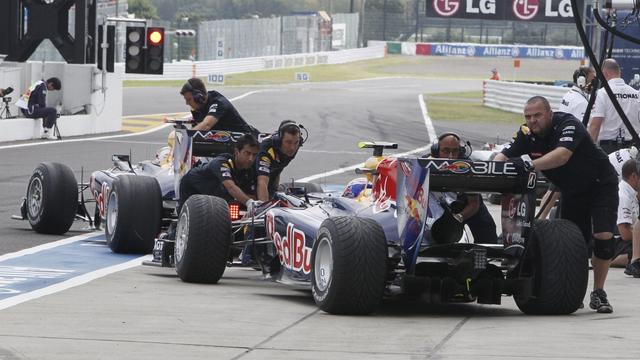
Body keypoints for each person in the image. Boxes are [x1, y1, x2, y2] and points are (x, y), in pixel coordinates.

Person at [495, 96, 618, 313]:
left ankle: (598, 291)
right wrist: (495, 169)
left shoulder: (569, 124)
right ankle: (574, 291)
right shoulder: (526, 133)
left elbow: (562, 156)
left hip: (601, 184)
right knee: (573, 242)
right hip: (572, 190)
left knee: (603, 237)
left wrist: (528, 165)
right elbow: (502, 156)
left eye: (537, 115)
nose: (532, 121)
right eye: (528, 116)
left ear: (550, 114)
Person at [430, 133, 498, 244]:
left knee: (487, 233)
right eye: (446, 151)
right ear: (436, 150)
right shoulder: (425, 163)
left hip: (467, 206)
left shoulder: (468, 167)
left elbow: (474, 204)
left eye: (454, 151)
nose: (450, 156)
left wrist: (459, 217)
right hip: (438, 206)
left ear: (460, 151)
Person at [177, 134, 260, 215]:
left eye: (254, 155)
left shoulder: (250, 170)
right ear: (237, 152)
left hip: (217, 193)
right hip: (193, 188)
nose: (251, 159)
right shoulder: (221, 163)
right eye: (247, 153)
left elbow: (252, 196)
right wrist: (249, 202)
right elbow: (230, 187)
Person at [588, 59, 640, 154]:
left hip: (608, 148)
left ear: (605, 73)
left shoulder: (603, 93)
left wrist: (589, 151)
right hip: (632, 149)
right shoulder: (636, 93)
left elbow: (595, 126)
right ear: (619, 72)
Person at [179, 77, 259, 135]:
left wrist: (186, 136)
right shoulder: (200, 107)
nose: (187, 103)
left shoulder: (218, 102)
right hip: (227, 144)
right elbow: (198, 129)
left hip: (248, 143)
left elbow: (206, 125)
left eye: (189, 99)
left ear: (199, 97)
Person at [256, 120, 303, 202]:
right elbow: (262, 181)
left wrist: (275, 189)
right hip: (251, 174)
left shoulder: (297, 144)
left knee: (274, 193)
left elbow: (279, 167)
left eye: (296, 142)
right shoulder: (267, 148)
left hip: (271, 173)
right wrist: (264, 209)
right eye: (288, 142)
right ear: (280, 139)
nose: (292, 148)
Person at [611, 159, 639, 267]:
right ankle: (610, 261)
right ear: (633, 176)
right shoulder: (623, 196)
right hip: (617, 244)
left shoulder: (631, 192)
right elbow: (625, 234)